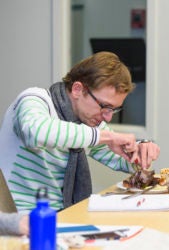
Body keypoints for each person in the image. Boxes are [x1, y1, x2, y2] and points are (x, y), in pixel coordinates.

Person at [0, 51, 160, 212]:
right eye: (104, 106)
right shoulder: (34, 99)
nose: (108, 117)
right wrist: (107, 137)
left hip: (59, 215)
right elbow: (35, 132)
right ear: (77, 89)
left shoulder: (88, 125)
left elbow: (120, 159)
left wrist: (139, 152)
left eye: (114, 109)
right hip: (16, 219)